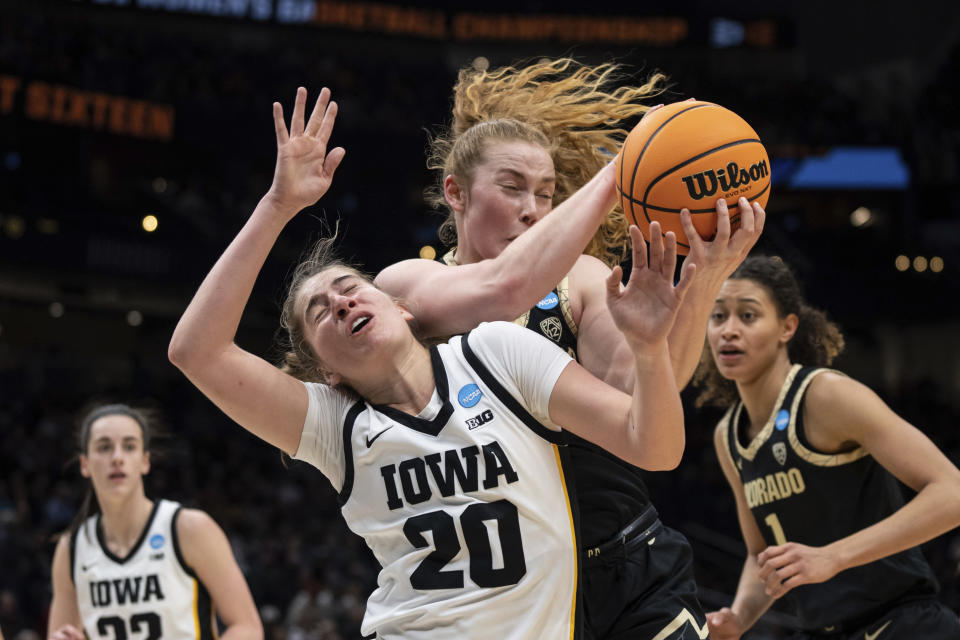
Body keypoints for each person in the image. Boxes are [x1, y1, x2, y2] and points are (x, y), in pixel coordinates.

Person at [167, 86, 697, 638]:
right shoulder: (333, 426)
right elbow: (195, 351)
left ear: (404, 309)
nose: (341, 302)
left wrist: (655, 342)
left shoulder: (500, 351)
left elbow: (650, 440)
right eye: (319, 313)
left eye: (349, 287)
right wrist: (277, 205)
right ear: (326, 371)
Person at [374, 57, 766, 639]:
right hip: (508, 590)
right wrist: (624, 172)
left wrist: (708, 275)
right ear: (455, 192)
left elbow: (642, 399)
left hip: (626, 558)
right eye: (512, 189)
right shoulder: (407, 286)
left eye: (548, 193)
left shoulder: (580, 278)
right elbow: (503, 289)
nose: (532, 208)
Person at [696, 255, 960, 639]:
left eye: (748, 316)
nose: (728, 331)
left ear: (787, 327)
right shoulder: (727, 436)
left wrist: (833, 556)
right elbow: (760, 555)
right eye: (718, 316)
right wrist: (739, 617)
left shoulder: (826, 396)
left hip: (903, 623)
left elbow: (952, 493)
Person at [47, 404, 263, 640]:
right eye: (104, 447)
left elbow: (247, 628)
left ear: (145, 461)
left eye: (129, 447)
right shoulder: (72, 549)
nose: (117, 457)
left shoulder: (189, 529)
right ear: (85, 464)